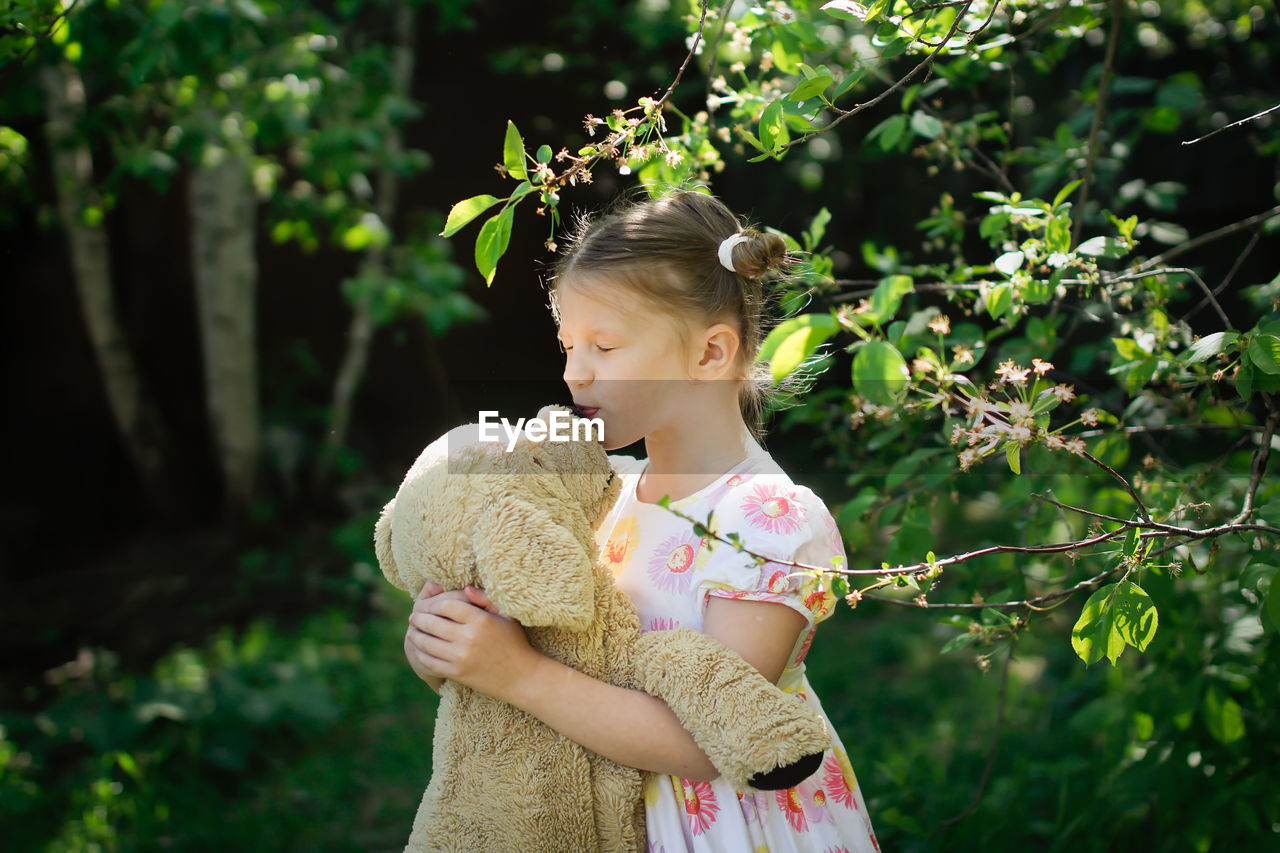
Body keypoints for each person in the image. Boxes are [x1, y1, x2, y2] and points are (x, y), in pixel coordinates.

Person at [405, 190, 880, 851]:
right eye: (569, 345)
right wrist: (455, 639)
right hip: (605, 816)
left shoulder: (769, 521)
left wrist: (518, 674)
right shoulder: (610, 494)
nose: (574, 374)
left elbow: (704, 742)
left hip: (731, 830)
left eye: (604, 346)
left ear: (710, 354)